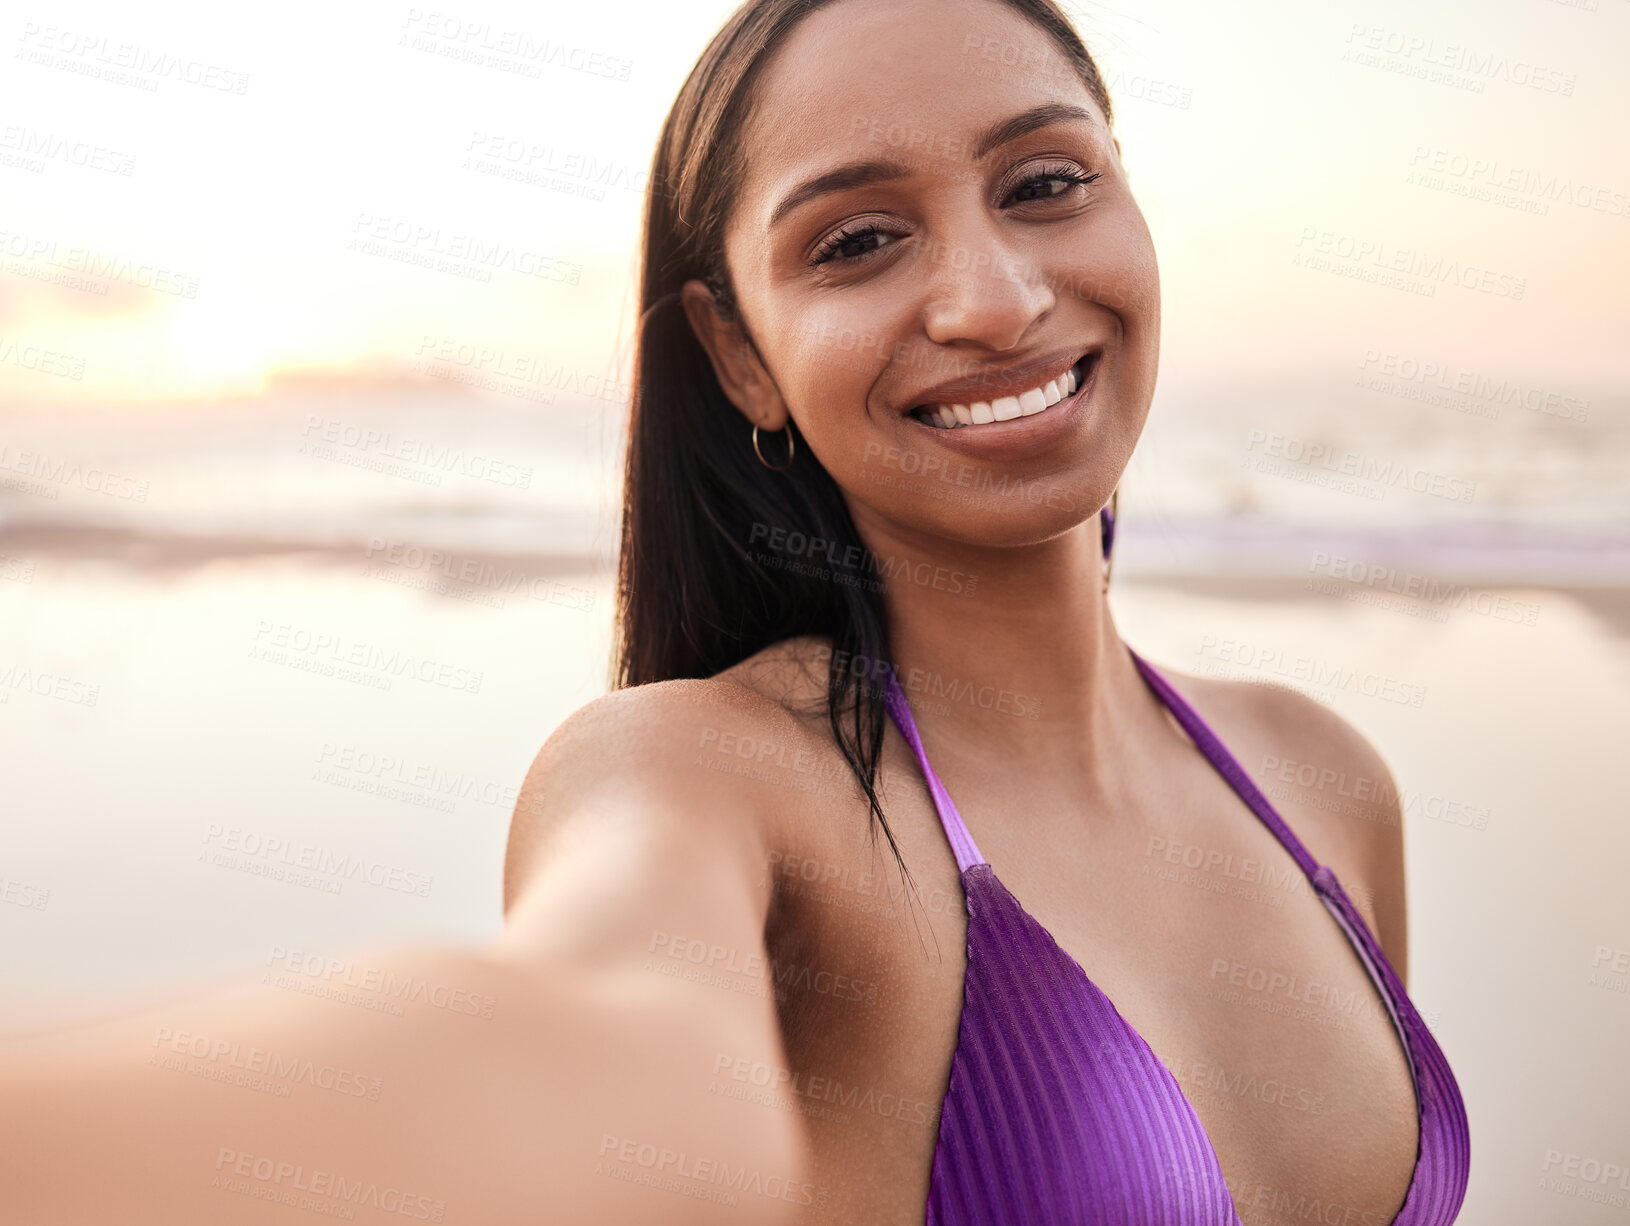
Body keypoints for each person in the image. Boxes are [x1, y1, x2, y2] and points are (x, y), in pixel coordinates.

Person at [0, 1, 1468, 1223]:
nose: (992, 296)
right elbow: (600, 1050)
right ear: (739, 353)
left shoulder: (1319, 777)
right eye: (856, 241)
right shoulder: (711, 774)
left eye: (1043, 184)